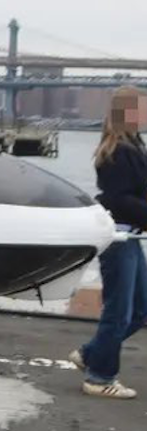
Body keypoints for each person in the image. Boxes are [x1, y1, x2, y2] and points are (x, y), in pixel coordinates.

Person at [73, 86, 146, 400]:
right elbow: (117, 199)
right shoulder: (118, 151)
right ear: (127, 112)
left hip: (131, 236)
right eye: (141, 108)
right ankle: (99, 377)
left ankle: (91, 354)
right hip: (118, 237)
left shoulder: (133, 145)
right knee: (118, 312)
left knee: (141, 310)